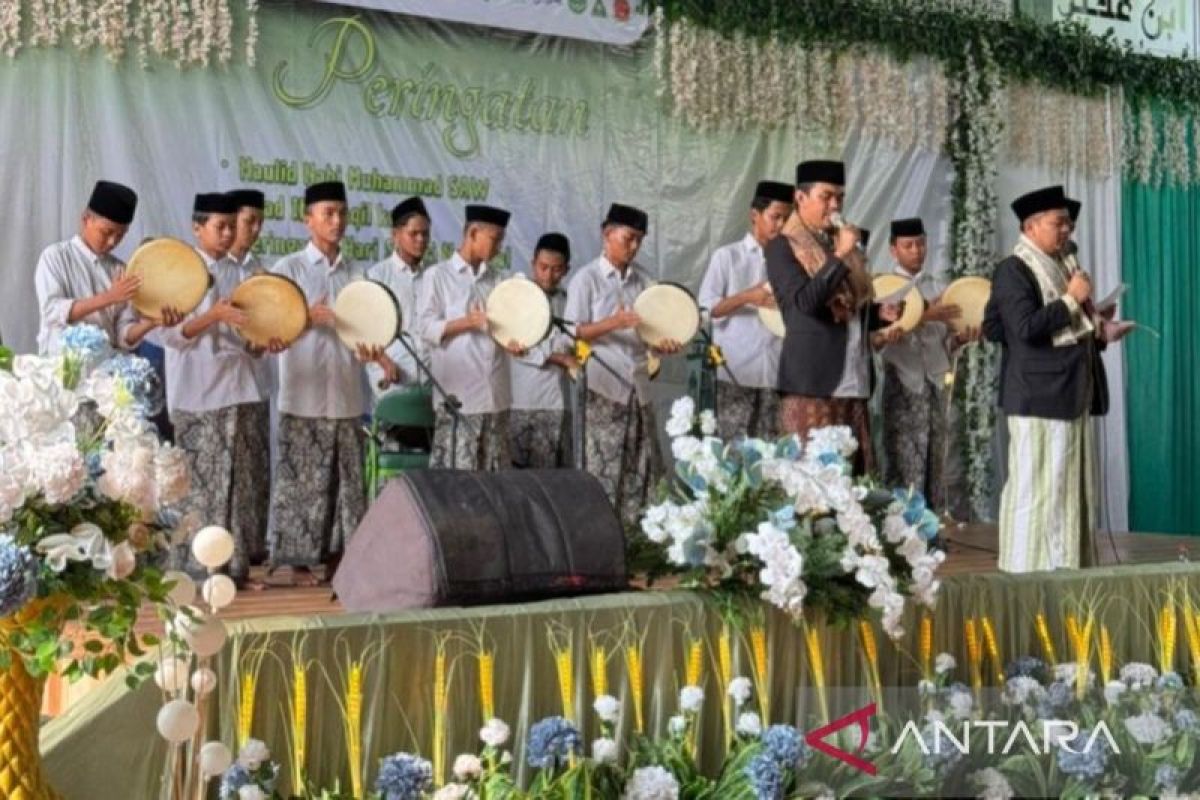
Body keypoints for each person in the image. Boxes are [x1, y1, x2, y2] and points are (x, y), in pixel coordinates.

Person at [983, 185, 1123, 573]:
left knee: (1066, 489)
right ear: (1030, 226)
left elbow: (996, 327)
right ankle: (1025, 571)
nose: (1067, 231)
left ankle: (1064, 568)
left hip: (1068, 391)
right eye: (1058, 223)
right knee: (1036, 490)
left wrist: (1097, 329)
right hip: (1037, 396)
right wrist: (1070, 300)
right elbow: (1024, 327)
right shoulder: (1014, 269)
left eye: (1069, 224)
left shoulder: (1062, 265)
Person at [267, 181, 395, 585]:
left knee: (347, 485)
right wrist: (308, 317)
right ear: (308, 220)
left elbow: (368, 330)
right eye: (328, 214)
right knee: (301, 483)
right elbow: (272, 331)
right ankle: (296, 562)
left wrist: (378, 357)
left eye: (342, 213)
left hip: (346, 396)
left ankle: (343, 559)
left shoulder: (359, 273)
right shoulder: (288, 270)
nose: (337, 221)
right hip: (302, 396)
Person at [161, 193, 277, 588]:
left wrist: (263, 344)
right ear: (198, 228)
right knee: (199, 487)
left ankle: (233, 570)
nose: (228, 234)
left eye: (232, 226)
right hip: (197, 394)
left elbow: (248, 336)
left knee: (236, 485)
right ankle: (192, 571)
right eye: (219, 226)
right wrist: (213, 315)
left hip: (239, 388)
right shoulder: (179, 269)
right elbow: (172, 335)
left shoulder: (241, 272)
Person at [764, 160, 901, 474]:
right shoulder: (783, 246)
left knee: (854, 483)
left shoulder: (837, 243)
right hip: (813, 383)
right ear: (801, 198)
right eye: (826, 196)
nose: (835, 205)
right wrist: (839, 255)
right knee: (812, 484)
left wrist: (880, 314)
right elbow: (804, 307)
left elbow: (850, 309)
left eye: (840, 197)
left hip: (854, 379)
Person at [564, 203, 681, 526]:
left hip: (639, 387)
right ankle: (599, 538)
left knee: (641, 467)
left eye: (639, 240)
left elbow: (652, 333)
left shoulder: (645, 281)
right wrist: (612, 322)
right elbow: (573, 332)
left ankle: (638, 541)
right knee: (602, 468)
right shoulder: (586, 279)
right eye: (628, 238)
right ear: (607, 234)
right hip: (603, 388)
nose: (634, 247)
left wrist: (664, 344)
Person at [877, 217, 979, 506]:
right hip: (902, 384)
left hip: (936, 382)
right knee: (903, 460)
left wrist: (960, 339)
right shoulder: (883, 290)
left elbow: (944, 341)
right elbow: (877, 337)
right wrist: (922, 315)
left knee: (939, 461)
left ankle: (934, 530)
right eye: (908, 245)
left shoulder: (940, 288)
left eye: (920, 243)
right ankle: (901, 535)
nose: (916, 251)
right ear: (893, 250)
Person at [416, 204, 519, 470]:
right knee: (458, 483)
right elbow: (425, 328)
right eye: (494, 240)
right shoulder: (438, 276)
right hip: (459, 401)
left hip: (496, 398)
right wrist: (467, 322)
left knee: (495, 482)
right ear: (473, 233)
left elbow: (506, 329)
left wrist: (515, 344)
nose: (498, 248)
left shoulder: (499, 281)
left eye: (501, 241)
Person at [697, 180, 792, 441]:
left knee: (772, 457)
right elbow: (706, 309)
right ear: (755, 215)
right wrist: (748, 296)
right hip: (735, 372)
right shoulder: (727, 257)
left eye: (787, 218)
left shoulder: (790, 262)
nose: (781, 225)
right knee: (732, 457)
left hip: (776, 373)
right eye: (775, 217)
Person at [35, 180, 175, 354]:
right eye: (106, 232)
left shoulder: (121, 270)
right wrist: (109, 297)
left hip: (106, 374)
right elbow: (51, 312)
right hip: (60, 372)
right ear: (86, 219)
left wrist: (151, 323)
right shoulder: (55, 256)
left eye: (120, 235)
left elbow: (122, 336)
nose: (112, 242)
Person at [509, 233, 575, 468]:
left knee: (552, 480)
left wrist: (574, 357)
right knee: (518, 479)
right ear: (533, 264)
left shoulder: (569, 302)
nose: (548, 275)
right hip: (523, 402)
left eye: (556, 269)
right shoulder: (518, 299)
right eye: (543, 267)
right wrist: (559, 357)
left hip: (559, 404)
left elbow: (576, 341)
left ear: (566, 269)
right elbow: (515, 345)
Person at [367, 196, 432, 398]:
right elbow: (365, 331)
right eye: (414, 234)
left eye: (425, 234)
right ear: (395, 235)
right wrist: (384, 361)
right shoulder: (377, 276)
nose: (421, 240)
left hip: (431, 384)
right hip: (392, 381)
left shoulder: (433, 276)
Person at [227, 189, 267, 274]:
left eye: (260, 223)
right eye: (249, 221)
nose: (256, 229)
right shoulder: (209, 267)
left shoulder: (261, 267)